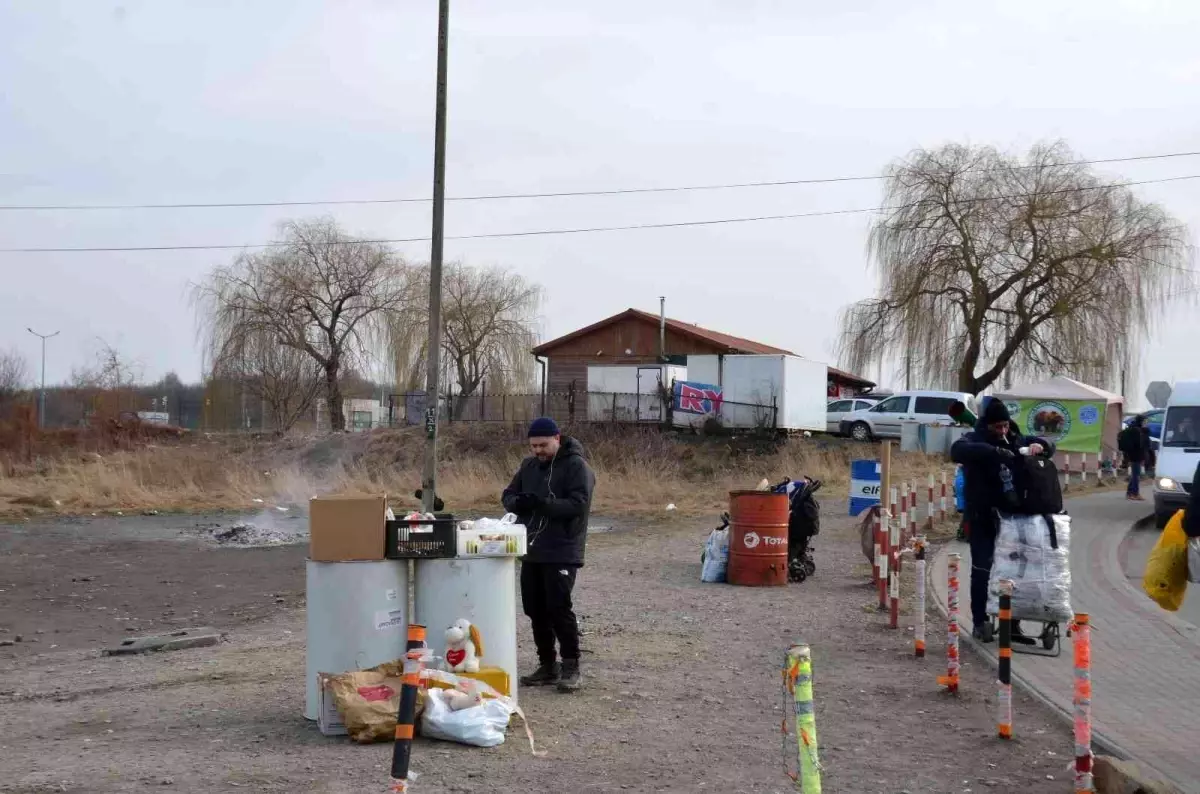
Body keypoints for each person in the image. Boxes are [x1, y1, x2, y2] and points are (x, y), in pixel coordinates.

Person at [951, 399, 1056, 643]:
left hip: (1014, 518)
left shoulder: (1017, 438)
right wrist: (993, 451)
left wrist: (1040, 445)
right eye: (997, 427)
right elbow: (957, 450)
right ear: (986, 425)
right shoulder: (973, 440)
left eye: (1005, 426)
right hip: (982, 516)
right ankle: (979, 622)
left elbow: (1050, 445)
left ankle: (1012, 626)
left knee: (1015, 573)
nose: (1002, 431)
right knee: (982, 569)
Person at [502, 417, 596, 693]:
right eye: (533, 446)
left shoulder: (577, 467)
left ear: (557, 438)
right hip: (531, 546)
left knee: (558, 608)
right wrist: (517, 502)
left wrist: (542, 504)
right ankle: (547, 665)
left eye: (543, 445)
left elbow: (578, 505)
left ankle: (571, 666)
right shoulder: (529, 466)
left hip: (562, 547)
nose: (538, 451)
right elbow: (508, 494)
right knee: (534, 609)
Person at [1118, 416, 1149, 501]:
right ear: (1141, 421)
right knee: (1136, 475)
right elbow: (1140, 445)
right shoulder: (1137, 431)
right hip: (1136, 456)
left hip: (1134, 455)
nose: (1146, 423)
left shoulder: (1135, 429)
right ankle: (1135, 493)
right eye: (1145, 421)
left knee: (1135, 474)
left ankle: (1129, 492)